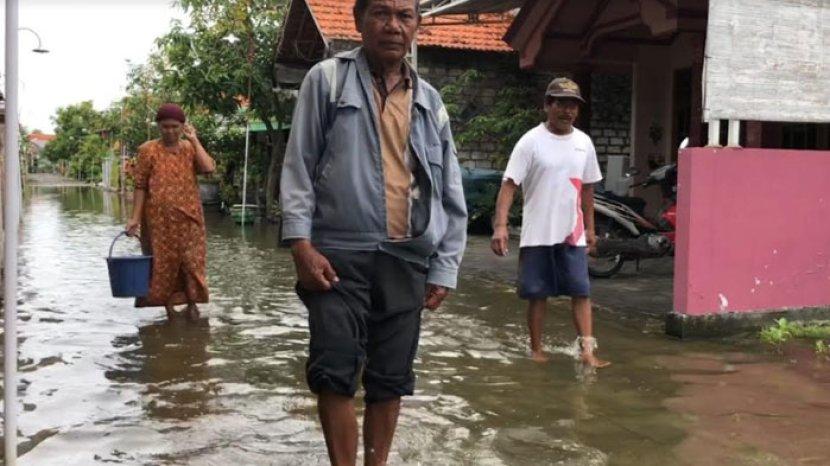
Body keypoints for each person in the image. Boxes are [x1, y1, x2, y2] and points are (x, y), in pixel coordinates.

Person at [279, 0, 467, 463]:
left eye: (405, 15)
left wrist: (445, 266)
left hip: (406, 257)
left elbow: (449, 189)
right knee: (333, 370)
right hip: (335, 256)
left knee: (390, 378)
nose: (393, 26)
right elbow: (299, 166)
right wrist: (301, 244)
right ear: (359, 20)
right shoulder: (326, 80)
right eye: (381, 13)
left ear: (417, 26)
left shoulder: (430, 101)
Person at [490, 78, 610, 368]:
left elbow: (588, 188)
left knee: (581, 291)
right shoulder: (530, 141)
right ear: (547, 105)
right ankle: (536, 348)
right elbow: (510, 185)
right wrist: (500, 226)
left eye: (573, 105)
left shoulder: (584, 142)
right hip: (538, 232)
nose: (567, 110)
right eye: (561, 103)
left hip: (573, 232)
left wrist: (591, 229)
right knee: (538, 293)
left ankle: (587, 350)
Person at [126, 103, 216, 322]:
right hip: (159, 221)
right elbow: (140, 185)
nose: (170, 131)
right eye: (165, 126)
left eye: (175, 127)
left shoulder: (189, 148)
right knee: (163, 263)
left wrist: (194, 139)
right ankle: (168, 307)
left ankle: (193, 303)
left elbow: (208, 168)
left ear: (182, 127)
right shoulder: (148, 150)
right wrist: (135, 218)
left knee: (192, 262)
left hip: (190, 219)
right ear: (159, 126)